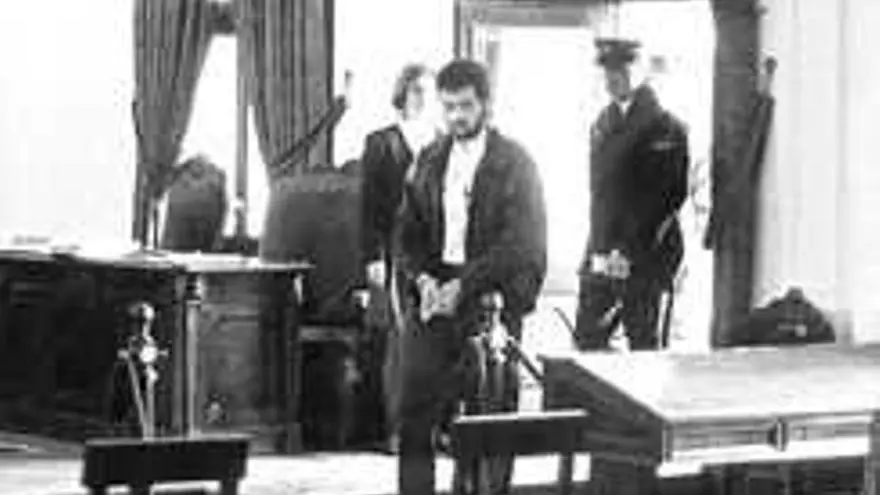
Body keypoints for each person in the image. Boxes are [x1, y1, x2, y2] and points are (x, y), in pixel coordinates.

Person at [393, 59, 547, 495]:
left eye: (465, 106)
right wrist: (423, 280)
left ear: (486, 105)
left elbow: (521, 242)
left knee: (489, 419)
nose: (456, 116)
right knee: (413, 410)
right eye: (448, 107)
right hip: (434, 294)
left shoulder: (516, 163)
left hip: (489, 296)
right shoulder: (429, 159)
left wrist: (466, 285)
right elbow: (406, 233)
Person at [573, 38, 689, 351]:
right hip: (603, 248)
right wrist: (602, 248)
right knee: (587, 338)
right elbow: (599, 196)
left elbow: (666, 198)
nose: (613, 79)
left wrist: (626, 250)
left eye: (622, 71)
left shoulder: (666, 127)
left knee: (642, 344)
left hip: (646, 251)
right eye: (608, 72)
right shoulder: (602, 124)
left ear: (640, 73)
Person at [358, 63, 439, 453]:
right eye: (416, 90)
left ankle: (433, 427)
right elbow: (369, 207)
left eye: (428, 91)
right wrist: (373, 257)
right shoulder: (380, 142)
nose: (422, 98)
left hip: (436, 253)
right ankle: (398, 429)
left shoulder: (443, 141)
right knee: (400, 340)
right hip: (395, 251)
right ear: (402, 94)